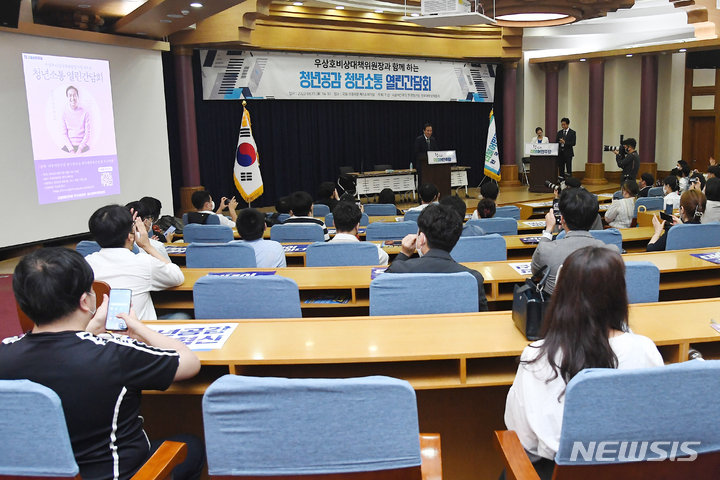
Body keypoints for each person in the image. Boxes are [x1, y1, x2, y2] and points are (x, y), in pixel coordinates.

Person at [0, 248, 204, 480]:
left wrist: (86, 330)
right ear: (85, 301)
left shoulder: (5, 352)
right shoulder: (114, 353)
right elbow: (189, 363)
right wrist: (140, 328)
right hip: (119, 474)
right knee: (191, 446)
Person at [505, 247, 663, 479]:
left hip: (557, 471)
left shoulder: (537, 356)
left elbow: (522, 438)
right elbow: (656, 424)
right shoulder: (644, 348)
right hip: (629, 469)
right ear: (620, 295)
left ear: (560, 293)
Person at [85, 205, 185, 320]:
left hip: (100, 334)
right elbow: (177, 277)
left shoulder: (85, 264)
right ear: (131, 236)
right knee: (182, 316)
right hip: (138, 334)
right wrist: (148, 246)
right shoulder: (143, 262)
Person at [386, 203, 489, 312]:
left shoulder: (398, 270)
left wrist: (404, 253)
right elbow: (483, 318)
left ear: (422, 239)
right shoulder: (472, 278)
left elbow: (383, 285)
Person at [531, 188, 618, 295]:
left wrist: (548, 230)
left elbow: (535, 270)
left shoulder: (546, 249)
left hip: (556, 309)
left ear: (562, 219)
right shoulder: (611, 252)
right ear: (595, 220)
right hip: (596, 310)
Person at [61, 85, 91, 154]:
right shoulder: (64, 113)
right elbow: (64, 134)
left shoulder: (85, 112)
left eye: (74, 95)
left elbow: (87, 133)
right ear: (67, 97)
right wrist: (71, 149)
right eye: (70, 96)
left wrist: (80, 149)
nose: (72, 98)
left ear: (78, 96)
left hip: (83, 146)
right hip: (69, 146)